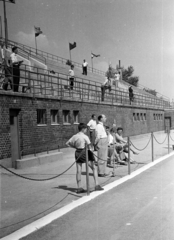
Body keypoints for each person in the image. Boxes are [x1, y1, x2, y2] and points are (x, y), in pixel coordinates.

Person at [66, 123, 104, 193]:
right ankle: (97, 185)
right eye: (86, 129)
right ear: (83, 129)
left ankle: (79, 187)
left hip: (78, 152)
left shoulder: (75, 136)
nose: (86, 130)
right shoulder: (85, 136)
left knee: (78, 170)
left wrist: (75, 147)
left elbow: (67, 143)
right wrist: (93, 150)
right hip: (85, 152)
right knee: (94, 168)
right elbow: (90, 146)